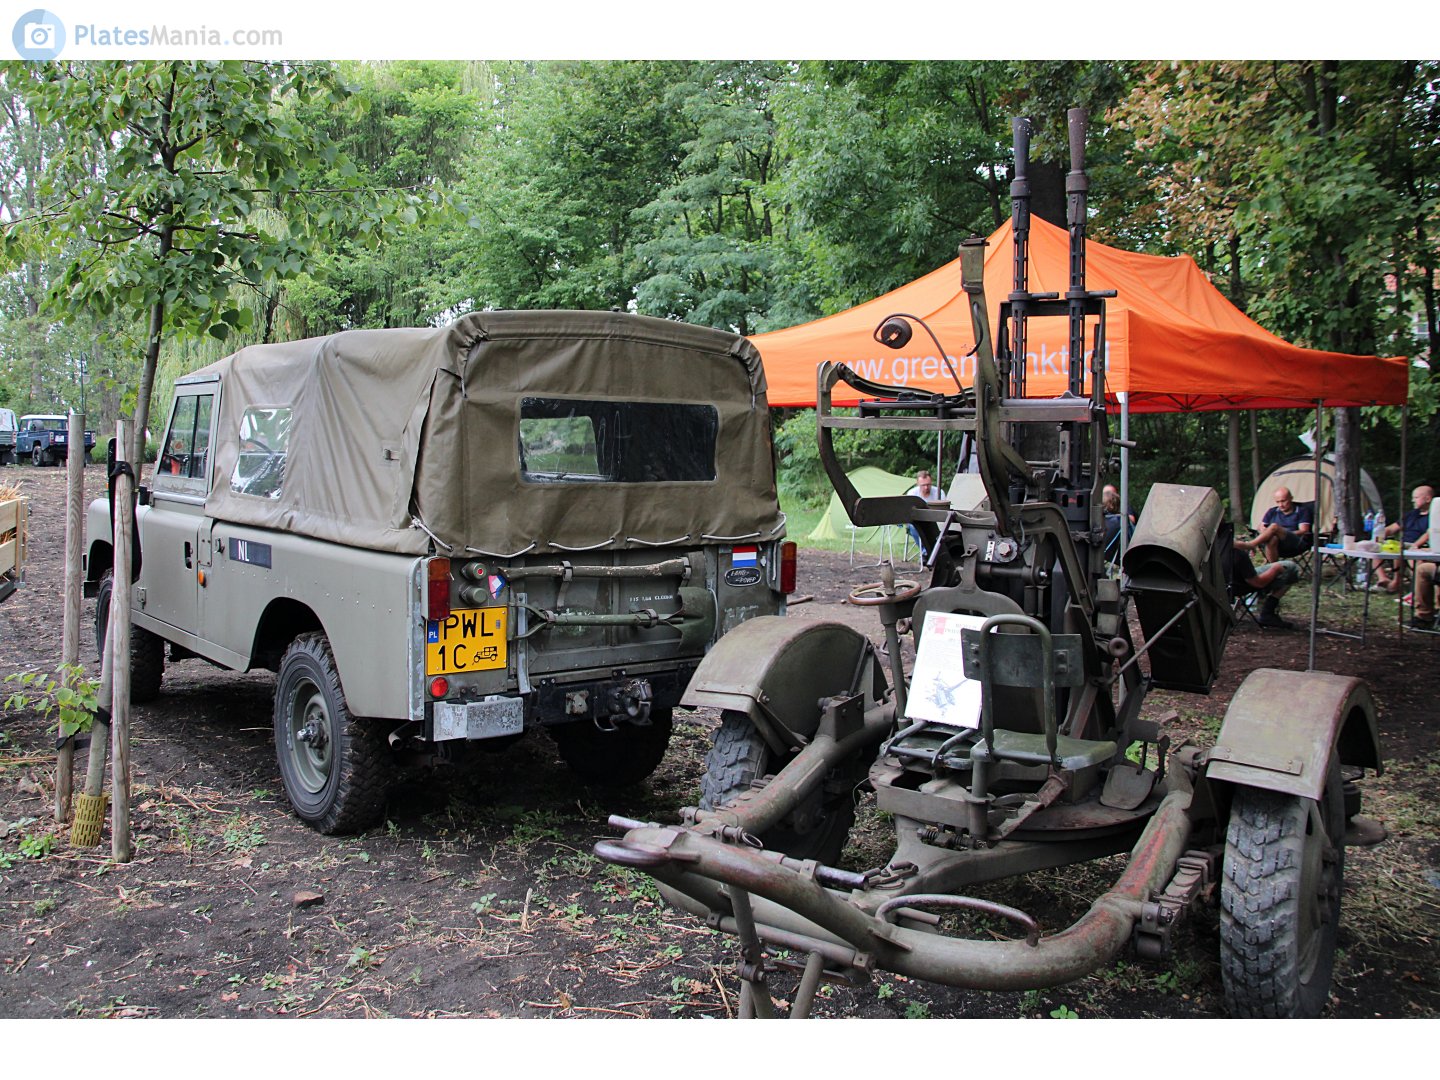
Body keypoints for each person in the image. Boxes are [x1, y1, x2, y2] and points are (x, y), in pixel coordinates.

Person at [1365, 484, 1432, 595]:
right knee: (1374, 549)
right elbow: (1392, 528)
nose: (1412, 500)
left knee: (1410, 556)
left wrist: (1415, 545)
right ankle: (1383, 579)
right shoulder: (1411, 514)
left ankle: (1403, 585)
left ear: (1428, 499)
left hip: (1420, 545)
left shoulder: (1435, 515)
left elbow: (1429, 533)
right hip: (1402, 544)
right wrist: (1378, 535)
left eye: (1416, 497)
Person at [1229, 540, 1300, 629]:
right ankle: (1268, 611)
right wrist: (1275, 569)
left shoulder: (1214, 548)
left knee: (1273, 536)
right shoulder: (1238, 554)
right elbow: (1258, 583)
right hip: (1239, 585)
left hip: (1222, 586)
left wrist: (1248, 545)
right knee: (1291, 567)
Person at [1239, 486, 1312, 564]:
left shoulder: (1301, 511)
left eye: (1283, 501)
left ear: (1291, 498)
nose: (1280, 505)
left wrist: (1282, 532)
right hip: (1277, 544)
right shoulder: (1272, 511)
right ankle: (1274, 567)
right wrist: (1270, 533)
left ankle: (1251, 545)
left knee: (1274, 527)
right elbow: (1261, 527)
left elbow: (1304, 530)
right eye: (1278, 502)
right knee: (1273, 538)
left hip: (1295, 542)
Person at [905, 469, 946, 559]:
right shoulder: (912, 494)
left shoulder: (939, 492)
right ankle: (926, 552)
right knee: (913, 527)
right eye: (923, 485)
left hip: (935, 522)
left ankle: (928, 554)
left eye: (928, 484)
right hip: (918, 523)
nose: (926, 488)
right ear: (918, 484)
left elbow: (943, 510)